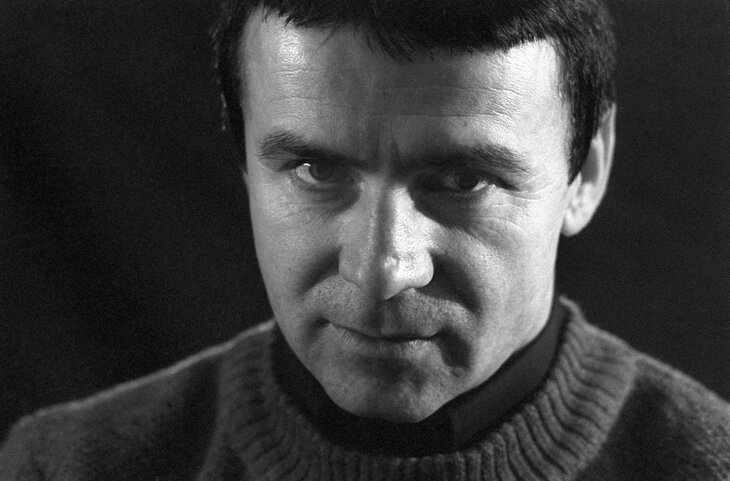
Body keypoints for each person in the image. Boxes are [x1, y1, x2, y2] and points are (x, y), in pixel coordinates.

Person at [1, 0, 728, 479]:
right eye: (316, 171)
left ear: (586, 171)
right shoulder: (64, 467)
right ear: (244, 161)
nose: (382, 269)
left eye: (462, 180)